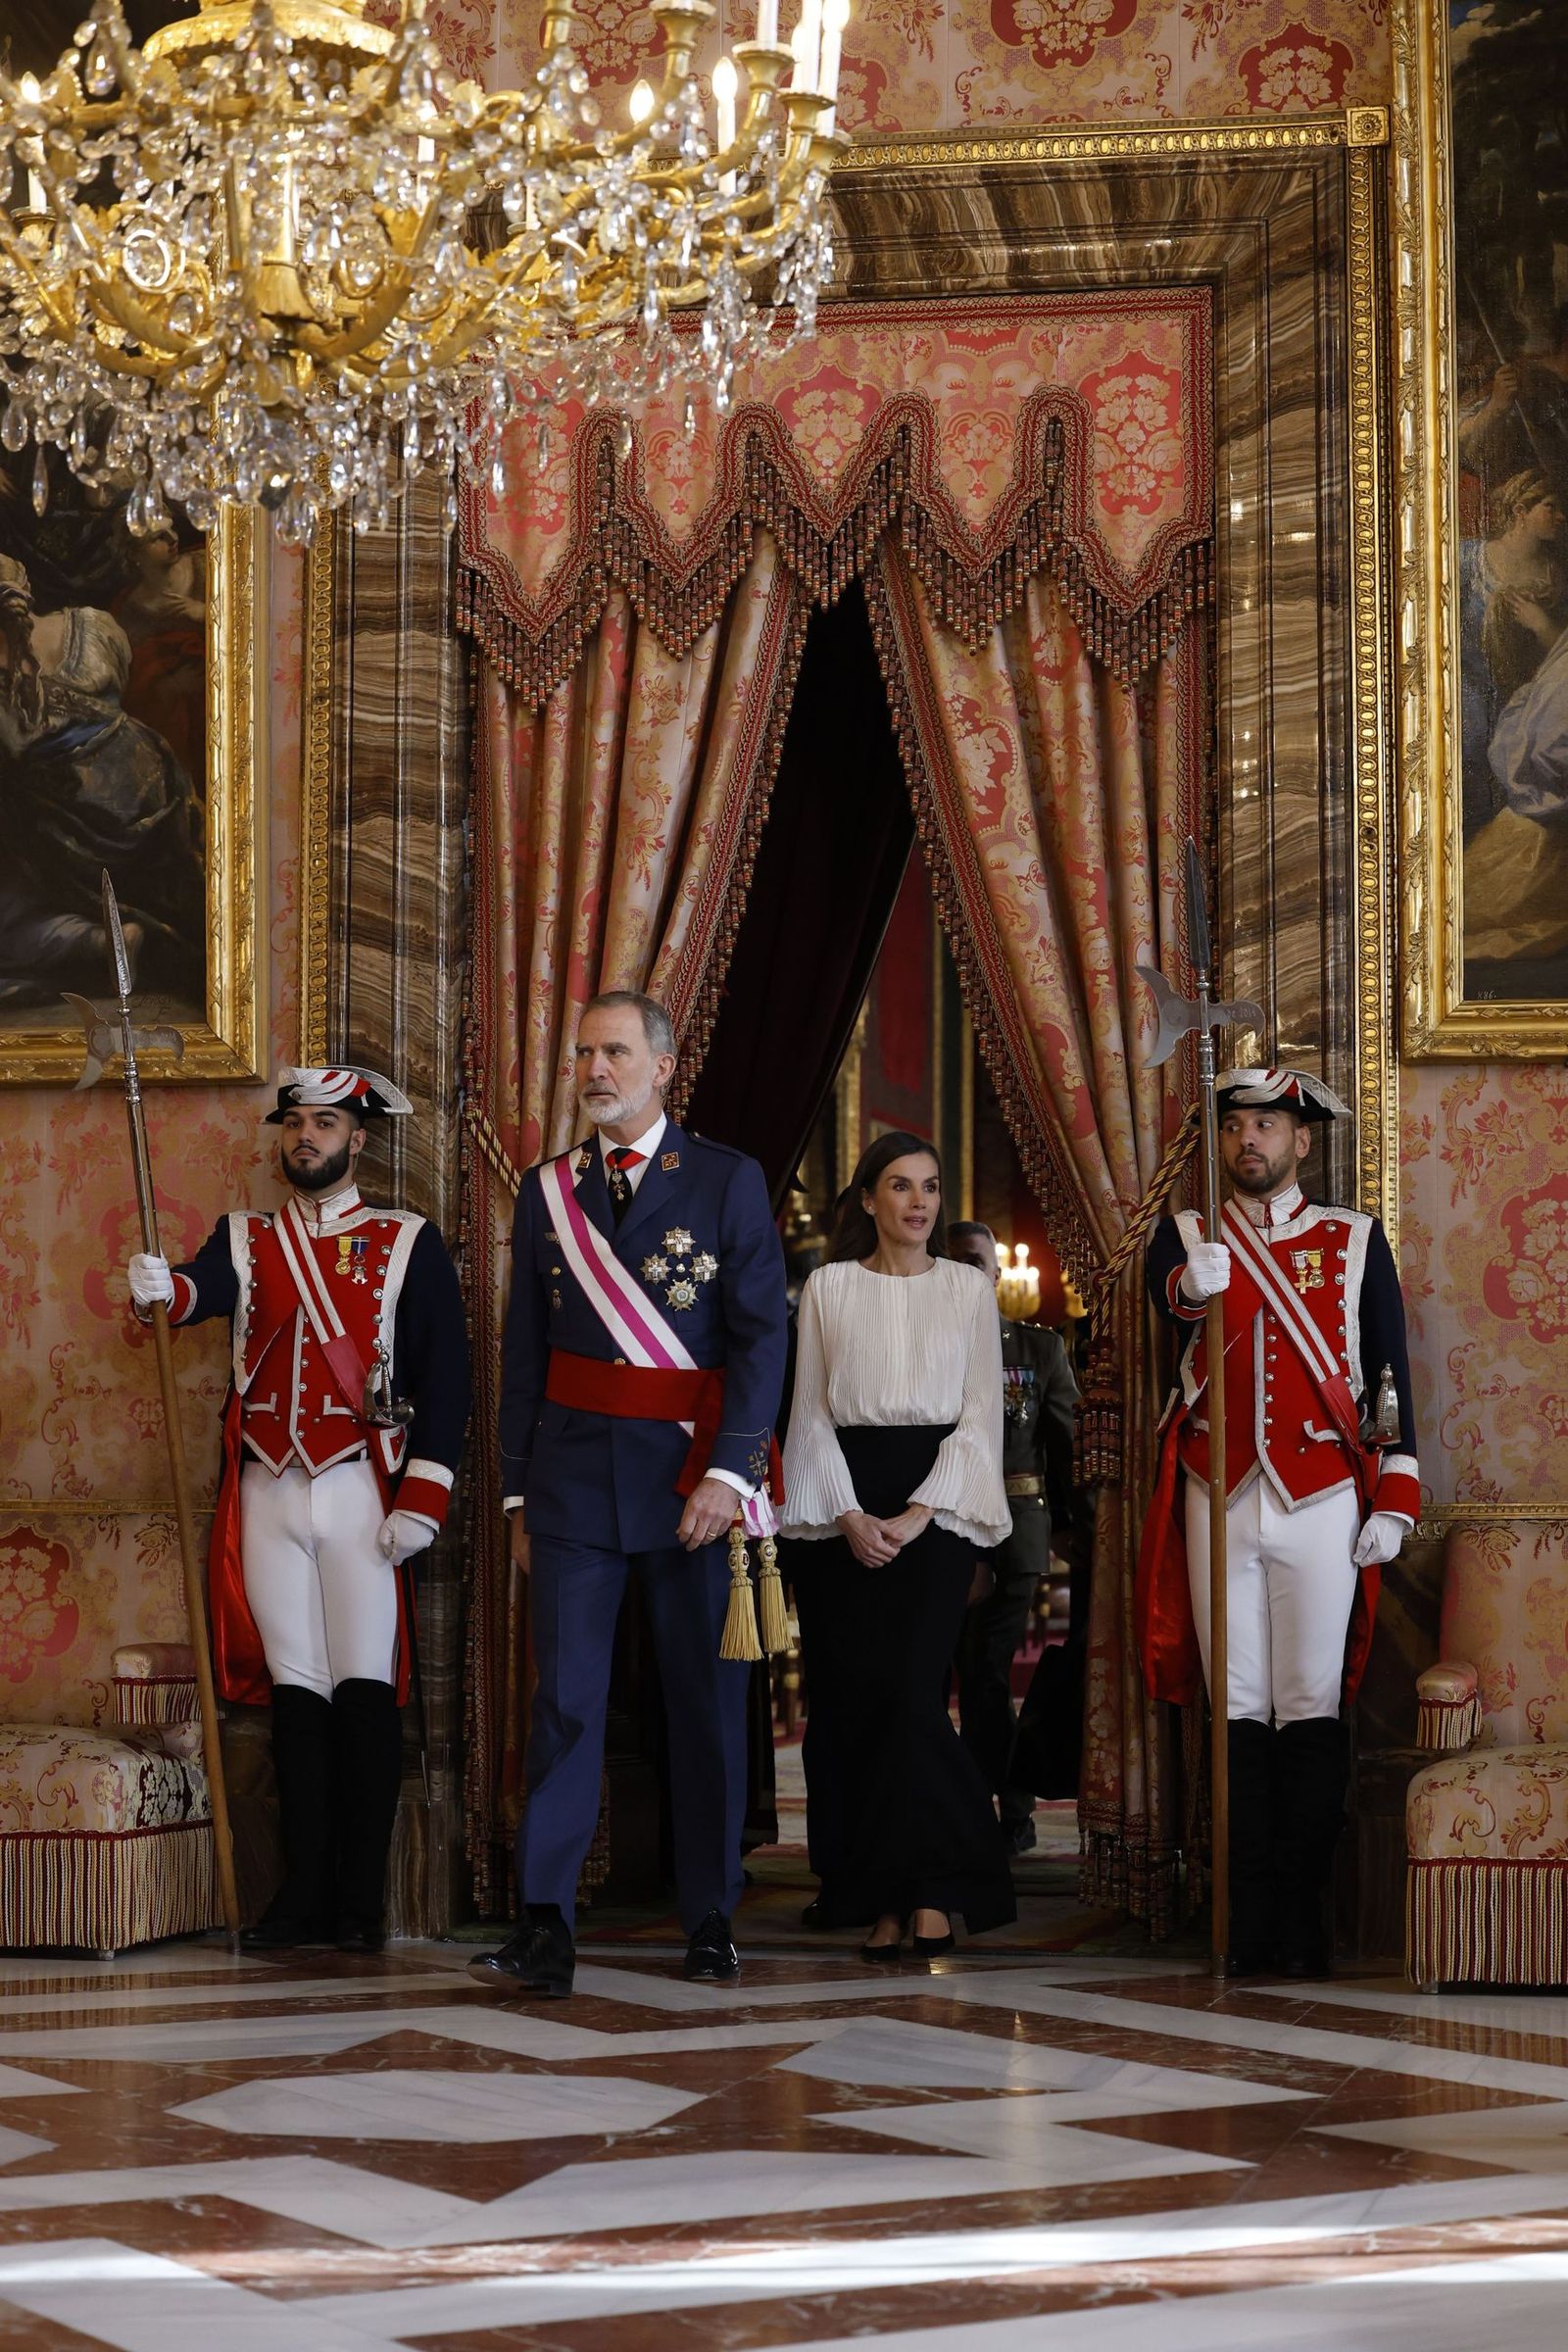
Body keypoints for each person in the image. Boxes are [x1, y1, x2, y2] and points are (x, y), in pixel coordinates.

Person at [470, 990, 789, 1999]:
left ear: (662, 1065)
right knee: (562, 1704)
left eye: (613, 1052)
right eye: (583, 1054)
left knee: (702, 1706)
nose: (594, 1070)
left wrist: (730, 1474)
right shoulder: (547, 1190)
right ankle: (547, 1921)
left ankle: (707, 1916)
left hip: (689, 1488)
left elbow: (758, 1340)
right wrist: (518, 1499)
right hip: (568, 1487)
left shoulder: (726, 1182)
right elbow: (524, 1351)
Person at [125, 1066, 469, 1953]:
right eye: (293, 1125)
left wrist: (424, 1499)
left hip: (362, 1488)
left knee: (363, 1694)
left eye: (323, 1124)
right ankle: (303, 1896)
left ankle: (362, 1903)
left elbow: (448, 1380)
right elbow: (204, 1292)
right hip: (267, 1489)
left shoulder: (404, 1241)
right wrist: (164, 1288)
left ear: (360, 1139)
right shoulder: (245, 1238)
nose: (303, 1138)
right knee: (295, 1699)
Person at [1135, 1067, 1419, 1980]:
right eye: (1234, 1128)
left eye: (1266, 1125)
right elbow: (1164, 1303)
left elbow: (1387, 1379)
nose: (1247, 1141)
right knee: (1238, 1711)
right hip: (1216, 1492)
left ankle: (1306, 1924)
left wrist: (1398, 1499)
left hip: (1324, 1500)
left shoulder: (1355, 1240)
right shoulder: (1185, 1237)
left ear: (1302, 1141)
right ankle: (1247, 1922)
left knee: (1310, 1707)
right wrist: (1189, 1284)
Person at [782, 1132, 1015, 1961]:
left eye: (930, 1187)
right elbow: (807, 1411)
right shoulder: (828, 1287)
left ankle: (947, 1882)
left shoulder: (967, 1289)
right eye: (900, 1186)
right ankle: (892, 1897)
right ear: (869, 1200)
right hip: (843, 1507)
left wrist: (918, 1514)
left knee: (916, 1700)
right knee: (861, 1711)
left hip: (936, 1507)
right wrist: (848, 1514)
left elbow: (982, 1416)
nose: (919, 1202)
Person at [946, 1219, 1078, 1853]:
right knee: (967, 1678)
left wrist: (1078, 1529)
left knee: (985, 1675)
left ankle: (1005, 1811)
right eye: (956, 1261)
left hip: (1014, 1532)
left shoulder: (1036, 1350)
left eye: (977, 1261)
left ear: (997, 1275)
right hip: (936, 1532)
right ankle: (986, 1806)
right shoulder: (925, 1344)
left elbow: (1067, 1447)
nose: (968, 1272)